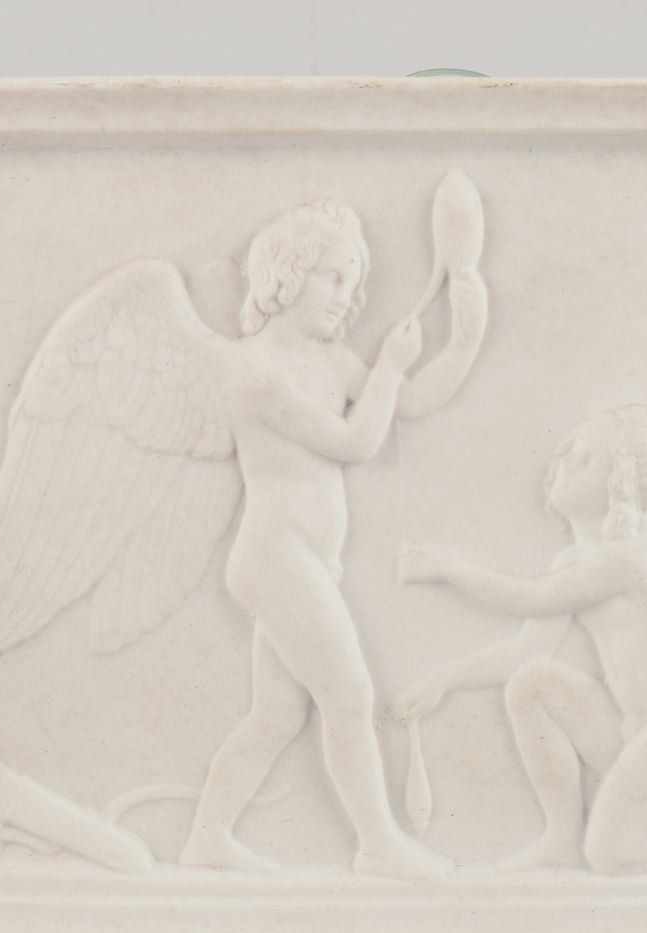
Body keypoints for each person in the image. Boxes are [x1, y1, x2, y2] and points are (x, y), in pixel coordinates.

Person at [178, 200, 483, 879]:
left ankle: (207, 838)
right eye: (333, 277)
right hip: (275, 556)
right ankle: (378, 843)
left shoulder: (332, 363)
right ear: (286, 274)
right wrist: (390, 367)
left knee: (275, 716)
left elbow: (406, 405)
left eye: (353, 282)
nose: (346, 296)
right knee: (349, 695)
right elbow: (355, 442)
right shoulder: (257, 372)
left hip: (308, 560)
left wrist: (461, 342)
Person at [396, 404, 647, 873]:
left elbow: (530, 598)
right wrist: (443, 681)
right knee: (532, 684)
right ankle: (560, 838)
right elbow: (526, 650)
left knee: (612, 856)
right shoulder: (574, 562)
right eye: (572, 450)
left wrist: (449, 568)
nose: (567, 461)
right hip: (637, 723)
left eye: (587, 459)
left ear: (619, 482)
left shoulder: (626, 561)